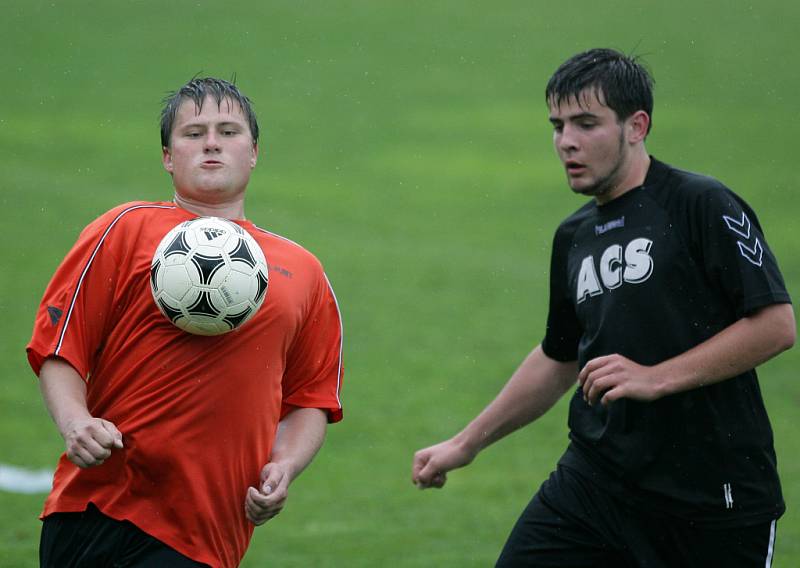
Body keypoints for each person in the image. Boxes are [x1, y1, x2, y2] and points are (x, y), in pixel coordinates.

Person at [412, 48, 795, 567]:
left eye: (586, 123)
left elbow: (774, 325)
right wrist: (466, 444)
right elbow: (558, 356)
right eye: (558, 124)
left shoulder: (699, 204)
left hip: (712, 496)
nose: (566, 141)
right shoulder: (574, 235)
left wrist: (656, 377)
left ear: (636, 126)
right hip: (598, 482)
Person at [27, 77, 344, 567]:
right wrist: (76, 424)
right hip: (94, 507)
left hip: (206, 533)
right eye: (193, 133)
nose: (212, 142)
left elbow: (311, 398)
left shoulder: (304, 271)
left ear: (254, 152)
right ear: (167, 158)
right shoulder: (123, 230)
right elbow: (59, 347)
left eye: (228, 131)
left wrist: (284, 466)